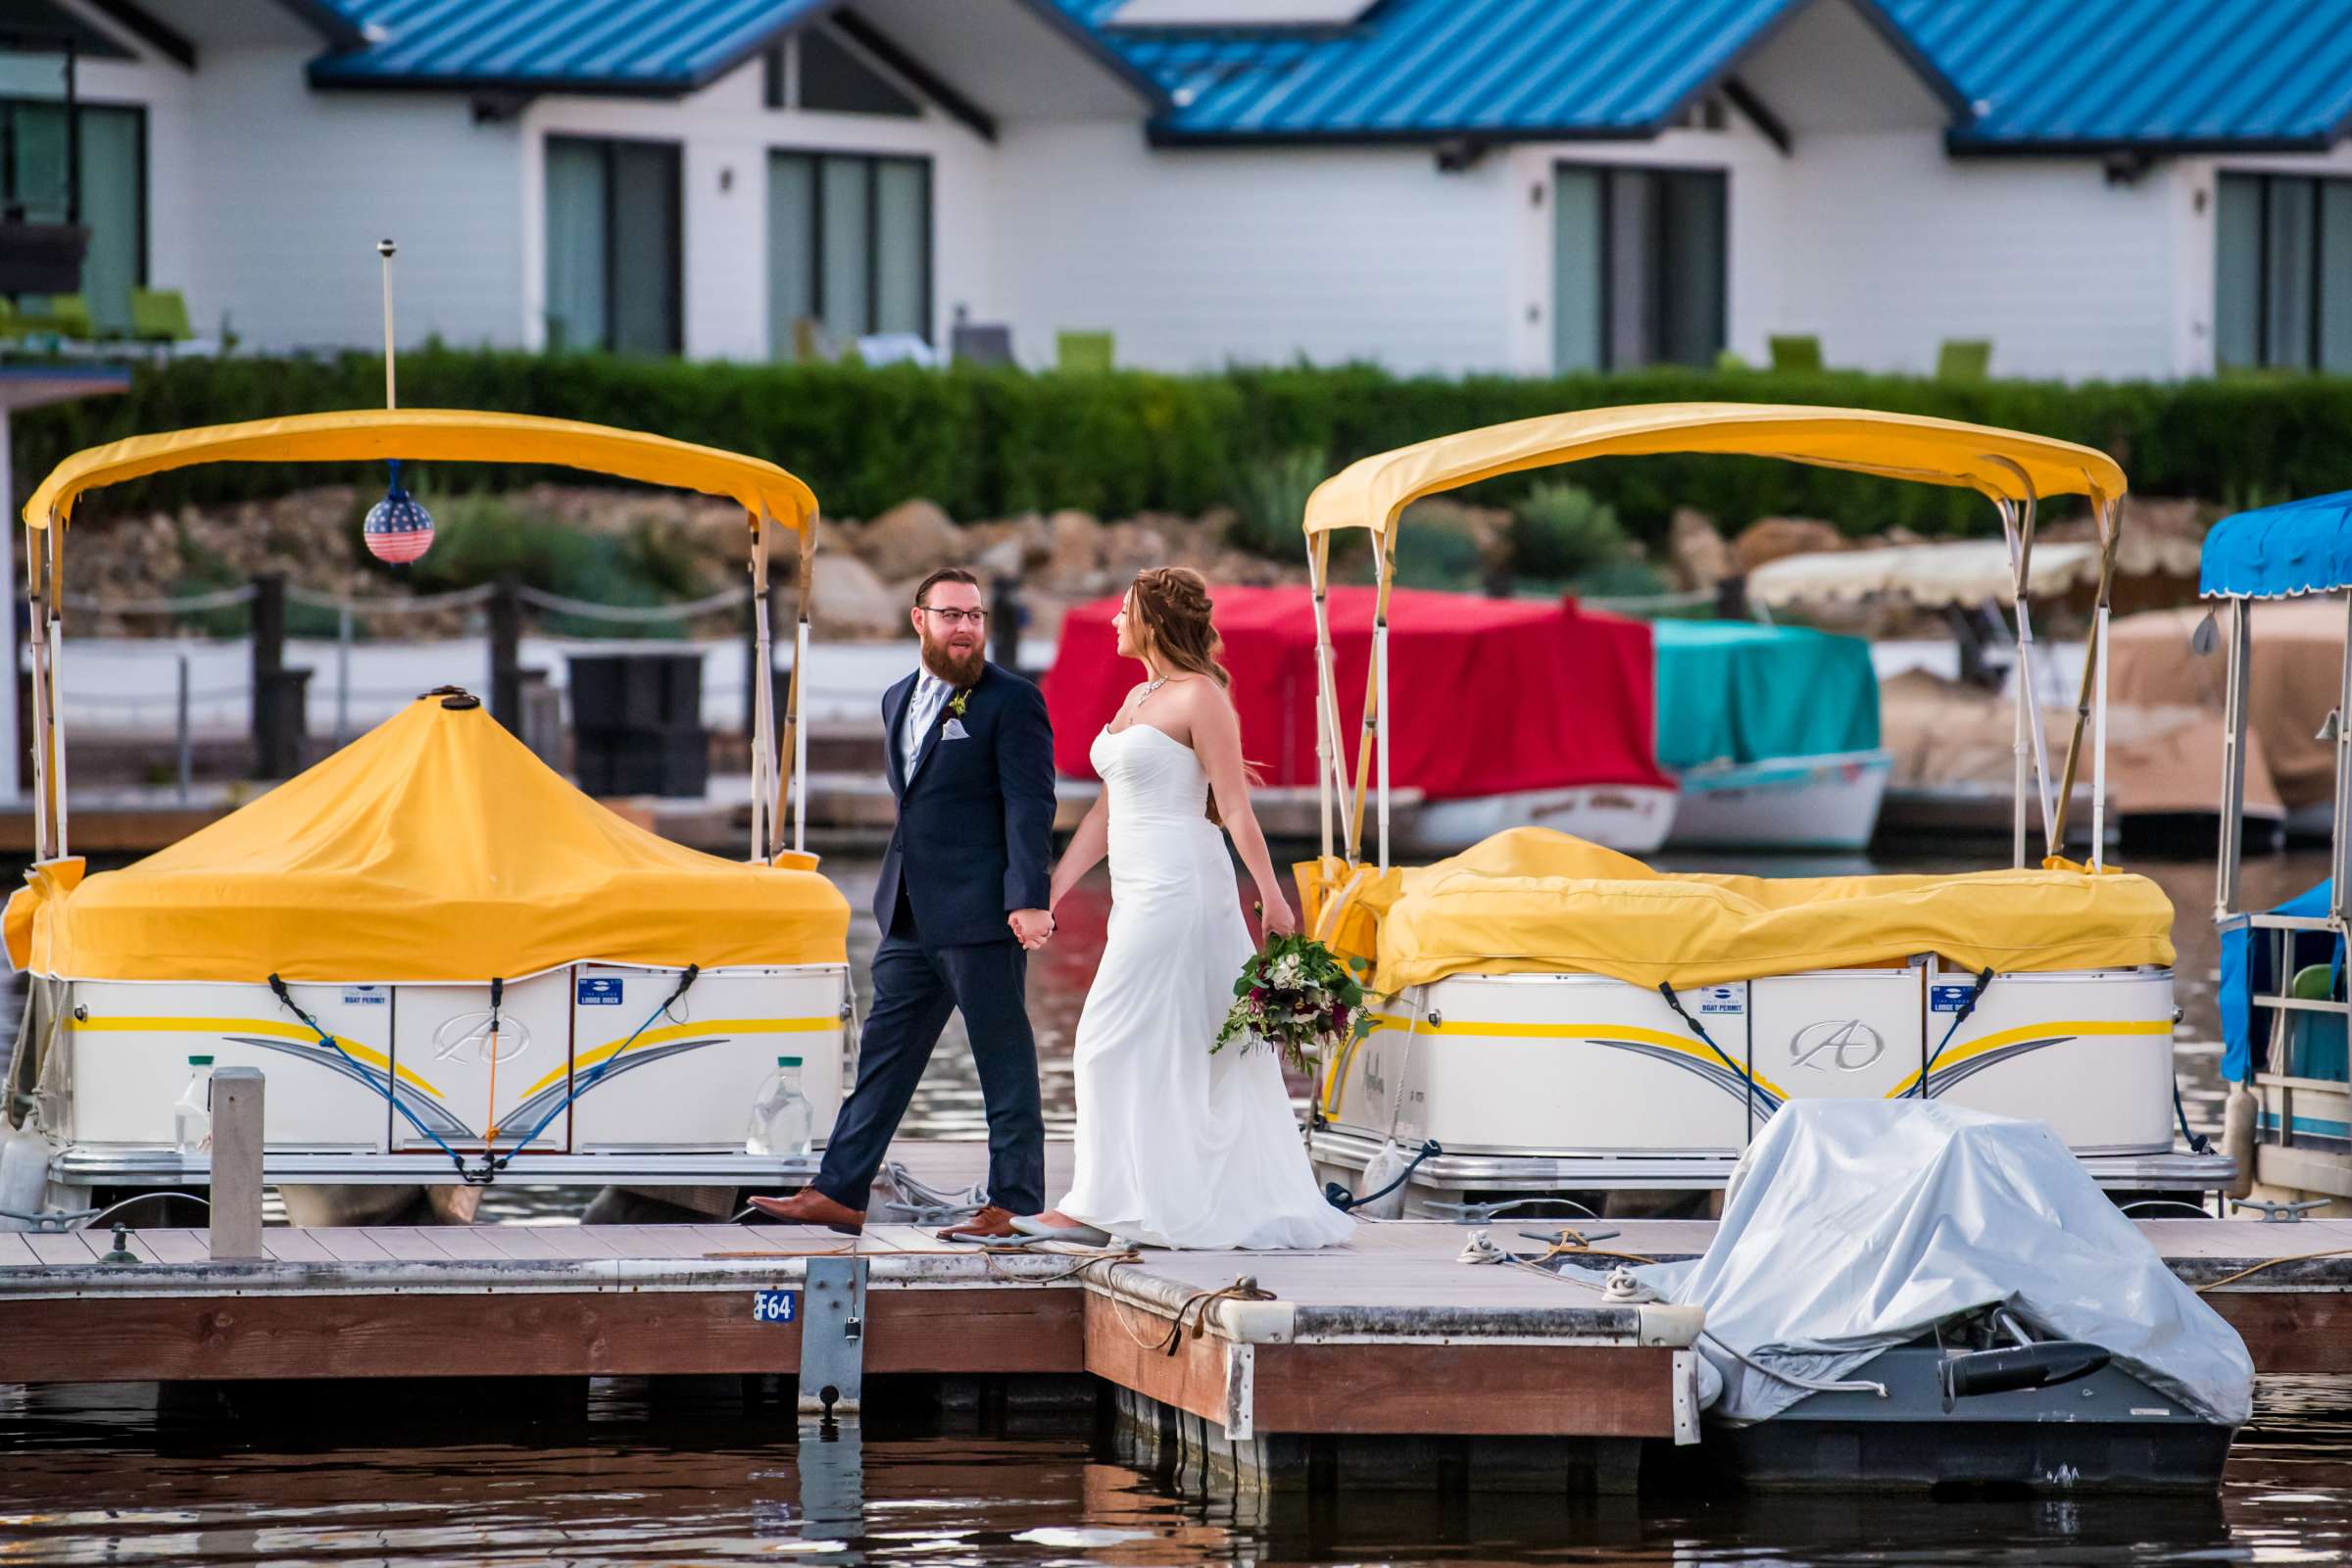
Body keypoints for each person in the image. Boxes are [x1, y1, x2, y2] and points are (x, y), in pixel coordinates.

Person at [1021, 567, 1352, 1250]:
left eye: (1123, 611)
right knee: (1171, 1049)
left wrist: (1270, 894)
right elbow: (1107, 813)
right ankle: (1156, 1198)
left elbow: (1234, 806)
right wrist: (1051, 889)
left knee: (1103, 1040)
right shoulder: (1140, 696)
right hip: (1136, 892)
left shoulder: (1201, 697)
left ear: (1152, 621)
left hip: (1182, 890)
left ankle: (1094, 1204)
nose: (1114, 621)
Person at [751, 567, 1055, 1241]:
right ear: (920, 620)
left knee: (1003, 1061)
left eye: (974, 616)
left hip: (982, 915)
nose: (966, 628)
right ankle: (840, 1191)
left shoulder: (1012, 701)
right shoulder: (895, 699)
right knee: (883, 1061)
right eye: (951, 615)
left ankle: (1015, 1204)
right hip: (910, 916)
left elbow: (1030, 806)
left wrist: (1029, 898)